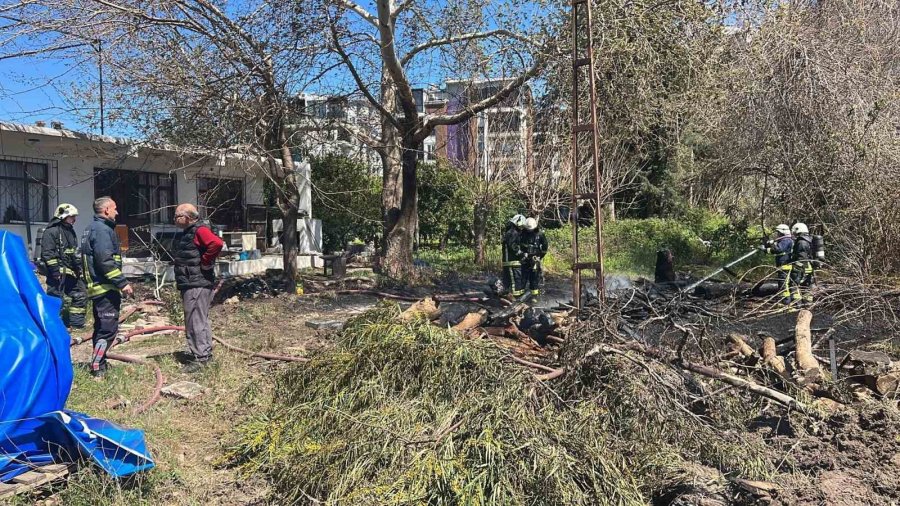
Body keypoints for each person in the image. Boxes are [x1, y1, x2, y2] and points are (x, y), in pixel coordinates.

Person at [82, 196, 133, 378]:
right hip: (105, 288)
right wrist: (122, 283)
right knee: (108, 329)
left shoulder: (92, 228)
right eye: (115, 208)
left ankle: (99, 362)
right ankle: (98, 367)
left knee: (101, 328)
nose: (117, 212)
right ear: (106, 210)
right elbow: (105, 261)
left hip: (98, 288)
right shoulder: (102, 230)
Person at [173, 203, 223, 373]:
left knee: (195, 320)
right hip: (193, 282)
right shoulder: (190, 232)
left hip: (197, 283)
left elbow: (216, 243)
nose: (175, 219)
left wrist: (206, 261)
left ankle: (201, 358)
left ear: (187, 217)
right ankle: (204, 355)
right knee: (199, 319)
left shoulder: (199, 230)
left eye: (177, 216)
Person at [41, 203, 87, 328]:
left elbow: (73, 252)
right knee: (56, 300)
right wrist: (55, 271)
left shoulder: (70, 232)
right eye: (72, 217)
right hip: (58, 275)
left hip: (71, 272)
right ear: (63, 216)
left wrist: (78, 268)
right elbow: (48, 253)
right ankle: (52, 326)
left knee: (80, 295)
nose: (74, 220)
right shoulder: (51, 232)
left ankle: (76, 324)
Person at [759, 223, 794, 304]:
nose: (777, 234)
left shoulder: (786, 240)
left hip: (785, 264)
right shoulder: (785, 240)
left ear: (782, 233)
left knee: (783, 284)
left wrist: (765, 249)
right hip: (783, 264)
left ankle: (786, 302)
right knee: (783, 283)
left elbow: (778, 249)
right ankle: (786, 300)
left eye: (778, 233)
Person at [519, 217, 548, 298]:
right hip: (524, 259)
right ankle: (520, 297)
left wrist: (540, 257)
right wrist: (522, 254)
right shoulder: (522, 233)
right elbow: (518, 244)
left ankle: (534, 298)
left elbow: (545, 247)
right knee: (522, 278)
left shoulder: (540, 234)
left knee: (534, 278)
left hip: (535, 259)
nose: (529, 231)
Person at [501, 214, 527, 298]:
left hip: (513, 262)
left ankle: (507, 298)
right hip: (512, 262)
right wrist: (521, 254)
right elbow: (513, 246)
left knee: (510, 282)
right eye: (522, 225)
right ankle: (516, 301)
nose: (522, 228)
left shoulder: (513, 232)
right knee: (515, 281)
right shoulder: (512, 233)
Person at [790, 222, 816, 303]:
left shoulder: (801, 242)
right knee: (806, 286)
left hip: (801, 267)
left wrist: (796, 268)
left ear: (798, 230)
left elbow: (802, 257)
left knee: (794, 285)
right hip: (808, 266)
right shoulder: (809, 239)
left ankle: (797, 304)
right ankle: (808, 303)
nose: (793, 233)